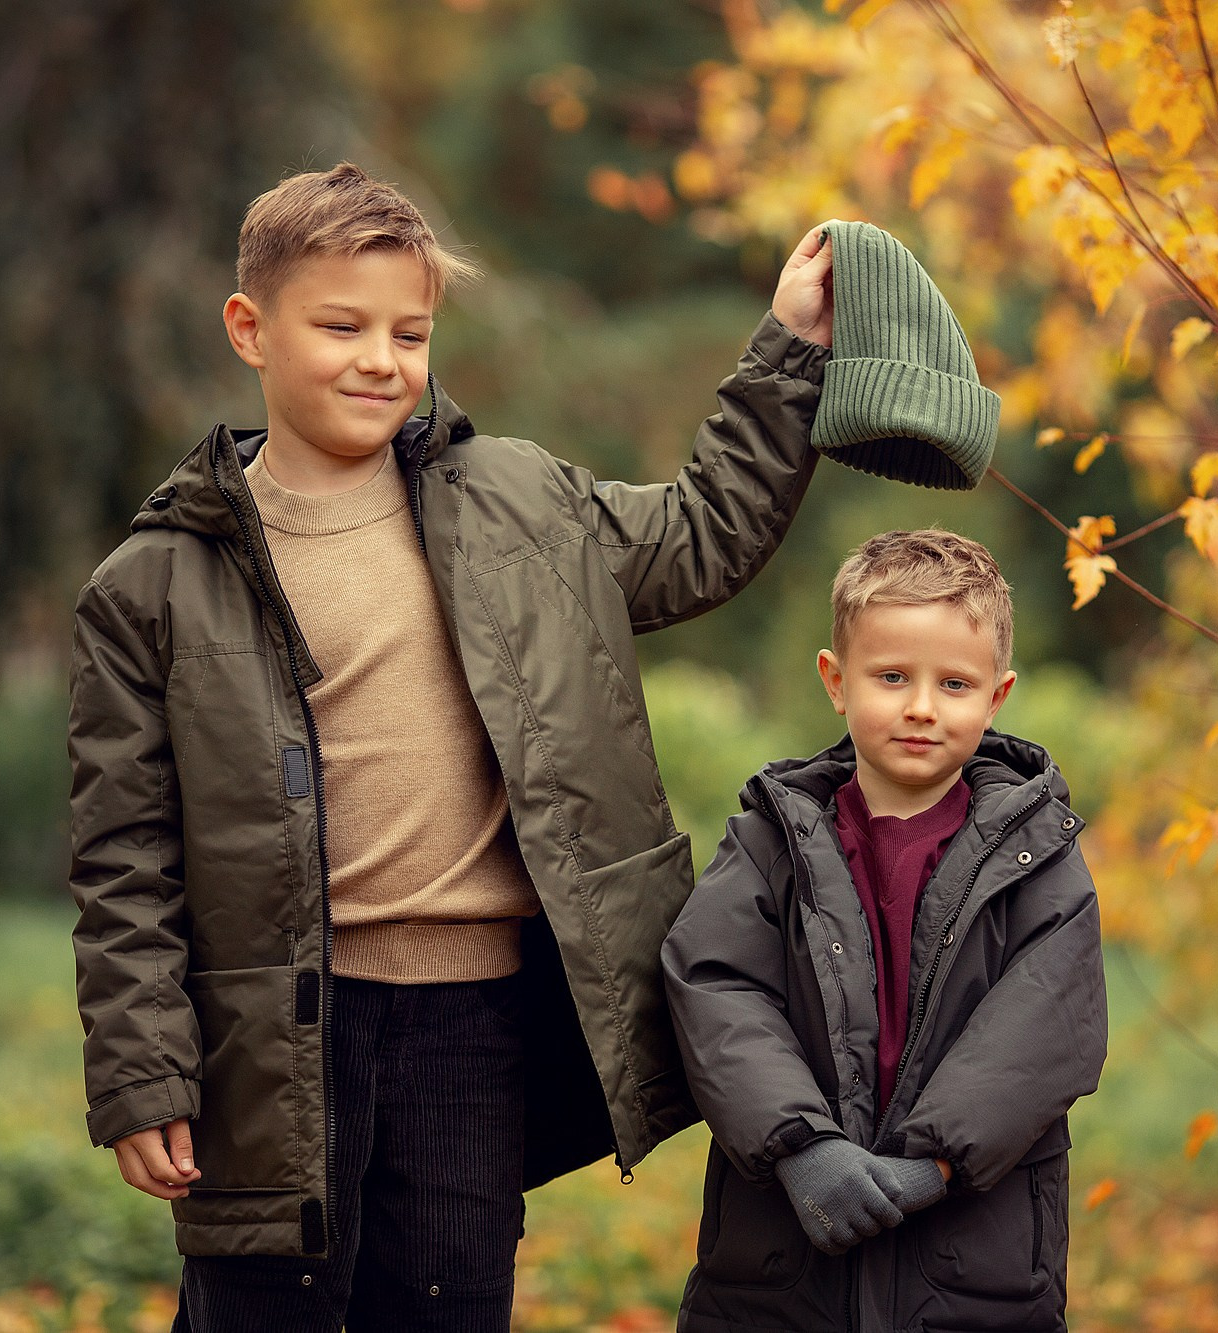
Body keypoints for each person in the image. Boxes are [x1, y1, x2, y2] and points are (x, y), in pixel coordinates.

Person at [66, 161, 836, 1332]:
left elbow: (699, 537)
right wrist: (142, 1073)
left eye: (409, 332)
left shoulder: (519, 501)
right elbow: (124, 860)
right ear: (249, 329)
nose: (381, 358)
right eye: (342, 326)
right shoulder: (155, 583)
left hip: (469, 1029)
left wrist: (788, 347)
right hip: (269, 1041)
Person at [663, 528, 1109, 1333]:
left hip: (973, 1257)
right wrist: (800, 1144)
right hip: (784, 1261)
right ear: (837, 681)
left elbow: (1046, 1026)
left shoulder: (1039, 855)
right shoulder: (772, 839)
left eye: (955, 683)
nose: (921, 707)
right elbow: (717, 988)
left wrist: (933, 1163)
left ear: (997, 696)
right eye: (892, 675)